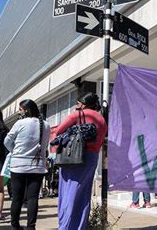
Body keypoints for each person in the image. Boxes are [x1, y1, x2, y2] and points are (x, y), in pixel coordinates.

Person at [54, 92, 107, 229]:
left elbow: (58, 131)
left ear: (83, 104)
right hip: (92, 158)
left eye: (78, 103)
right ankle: (80, 226)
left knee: (68, 192)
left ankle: (65, 226)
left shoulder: (77, 114)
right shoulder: (101, 119)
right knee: (83, 195)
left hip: (73, 156)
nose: (76, 106)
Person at [4, 99, 51, 229]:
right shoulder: (46, 125)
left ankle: (15, 225)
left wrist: (15, 151)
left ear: (26, 110)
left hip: (18, 164)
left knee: (17, 198)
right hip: (38, 166)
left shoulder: (20, 123)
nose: (19, 112)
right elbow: (45, 145)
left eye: (20, 109)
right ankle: (31, 226)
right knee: (33, 198)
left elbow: (7, 141)